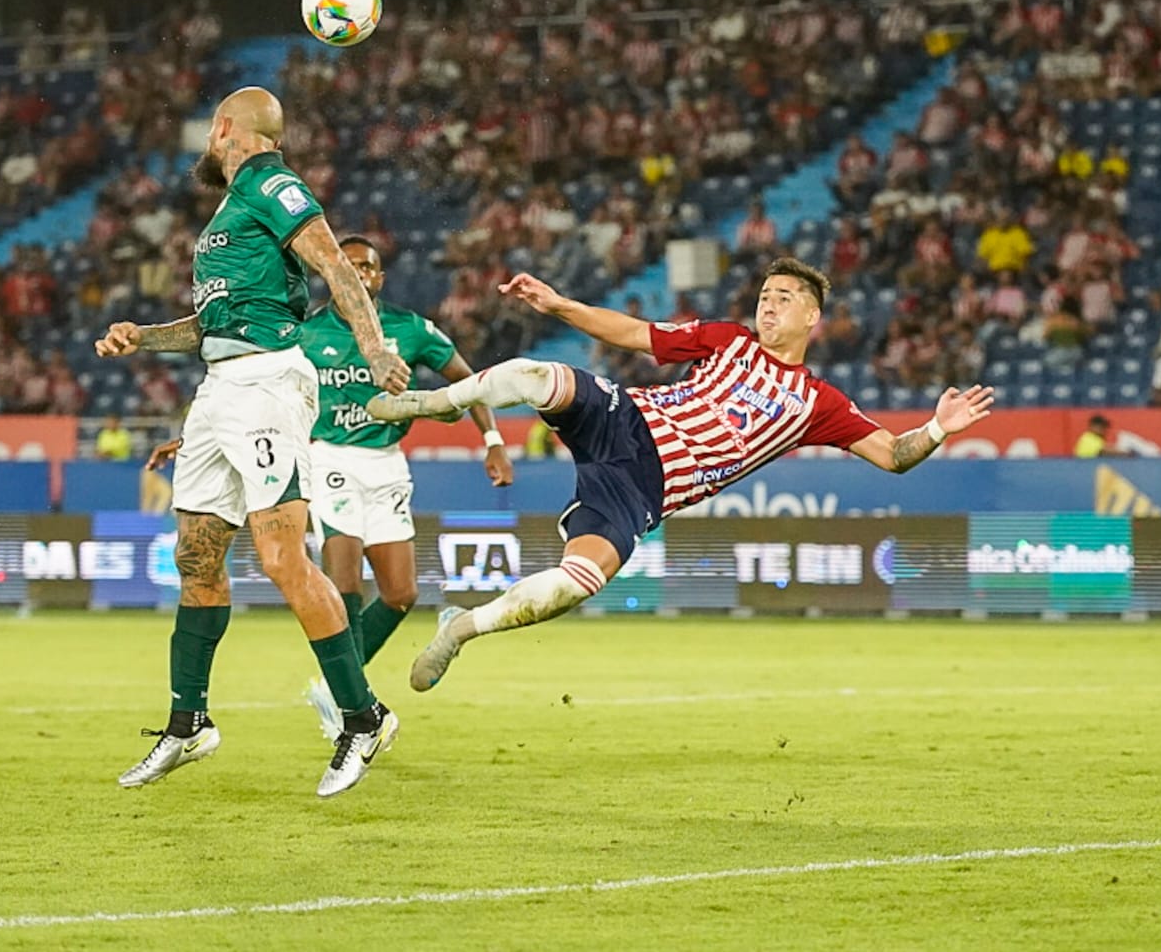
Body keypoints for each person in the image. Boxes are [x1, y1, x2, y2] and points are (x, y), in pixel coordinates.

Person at [366, 257, 994, 692]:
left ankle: (462, 629)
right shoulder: (728, 340)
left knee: (576, 583)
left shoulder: (818, 404)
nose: (769, 305)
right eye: (765, 296)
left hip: (644, 488)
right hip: (626, 419)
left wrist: (938, 428)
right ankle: (429, 404)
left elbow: (892, 454)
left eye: (785, 298)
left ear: (812, 320)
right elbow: (636, 333)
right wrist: (559, 305)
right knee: (536, 375)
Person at [94, 86, 411, 798]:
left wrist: (376, 348)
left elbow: (334, 264)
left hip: (268, 382)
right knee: (196, 555)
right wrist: (145, 336)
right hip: (219, 389)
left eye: (211, 130)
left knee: (278, 554)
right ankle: (189, 722)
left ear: (224, 129)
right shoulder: (229, 214)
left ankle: (362, 716)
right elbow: (210, 329)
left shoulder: (272, 181)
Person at [148, 235, 515, 740]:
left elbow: (467, 380)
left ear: (380, 278)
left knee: (401, 593)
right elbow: (250, 396)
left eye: (369, 267)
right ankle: (350, 700)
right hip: (326, 458)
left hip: (386, 463)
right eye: (351, 265)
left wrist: (492, 440)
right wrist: (192, 439)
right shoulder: (302, 332)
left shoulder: (410, 330)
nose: (360, 274)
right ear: (333, 271)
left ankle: (338, 683)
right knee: (343, 581)